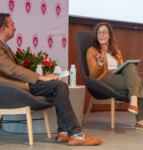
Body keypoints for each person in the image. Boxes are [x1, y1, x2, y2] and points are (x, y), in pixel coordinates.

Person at [0, 13, 103, 146]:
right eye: (12, 25)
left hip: (18, 86)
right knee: (59, 86)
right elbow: (11, 69)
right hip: (13, 88)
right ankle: (75, 133)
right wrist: (41, 77)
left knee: (60, 86)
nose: (15, 28)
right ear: (3, 28)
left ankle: (64, 132)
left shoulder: (4, 46)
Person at [86, 22, 143, 131]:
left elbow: (122, 68)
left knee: (130, 65)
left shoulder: (116, 52)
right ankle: (140, 119)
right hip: (104, 77)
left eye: (104, 32)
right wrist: (100, 63)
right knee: (139, 81)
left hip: (117, 75)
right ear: (96, 36)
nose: (101, 34)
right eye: (99, 32)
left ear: (109, 35)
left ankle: (134, 102)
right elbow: (92, 74)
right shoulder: (92, 51)